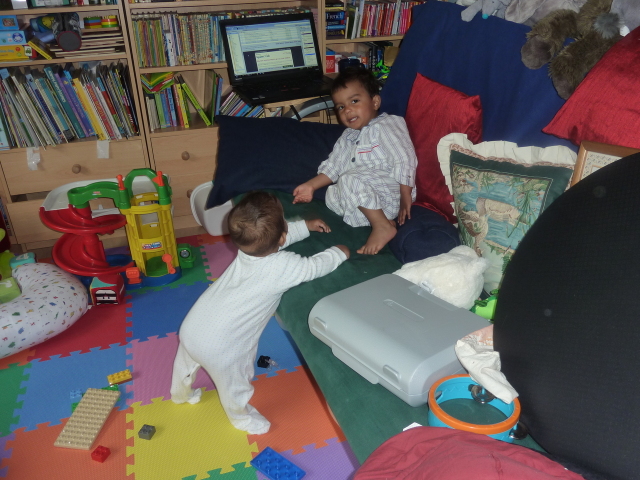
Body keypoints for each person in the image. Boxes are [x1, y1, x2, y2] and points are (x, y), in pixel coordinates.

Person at [170, 191, 349, 435]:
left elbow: (273, 239)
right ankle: (241, 419)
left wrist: (305, 226)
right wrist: (339, 252)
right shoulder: (283, 265)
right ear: (283, 235)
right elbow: (313, 267)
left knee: (185, 364)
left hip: (192, 327)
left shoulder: (247, 250)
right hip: (223, 348)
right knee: (235, 386)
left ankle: (180, 395)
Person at [293, 67, 418, 255]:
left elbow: (404, 157)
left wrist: (405, 195)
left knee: (348, 179)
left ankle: (382, 226)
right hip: (367, 198)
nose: (347, 110)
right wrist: (310, 186)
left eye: (354, 101)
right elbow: (334, 166)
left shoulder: (387, 125)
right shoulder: (347, 137)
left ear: (375, 102)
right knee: (332, 195)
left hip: (392, 191)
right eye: (340, 107)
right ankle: (382, 220)